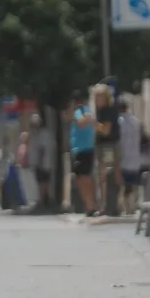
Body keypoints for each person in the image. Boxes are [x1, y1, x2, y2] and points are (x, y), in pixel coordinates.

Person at [68, 89, 99, 217]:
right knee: (81, 178)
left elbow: (82, 123)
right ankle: (89, 205)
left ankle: (91, 205)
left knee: (85, 178)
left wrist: (77, 115)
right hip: (79, 149)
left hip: (84, 149)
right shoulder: (85, 111)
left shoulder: (81, 111)